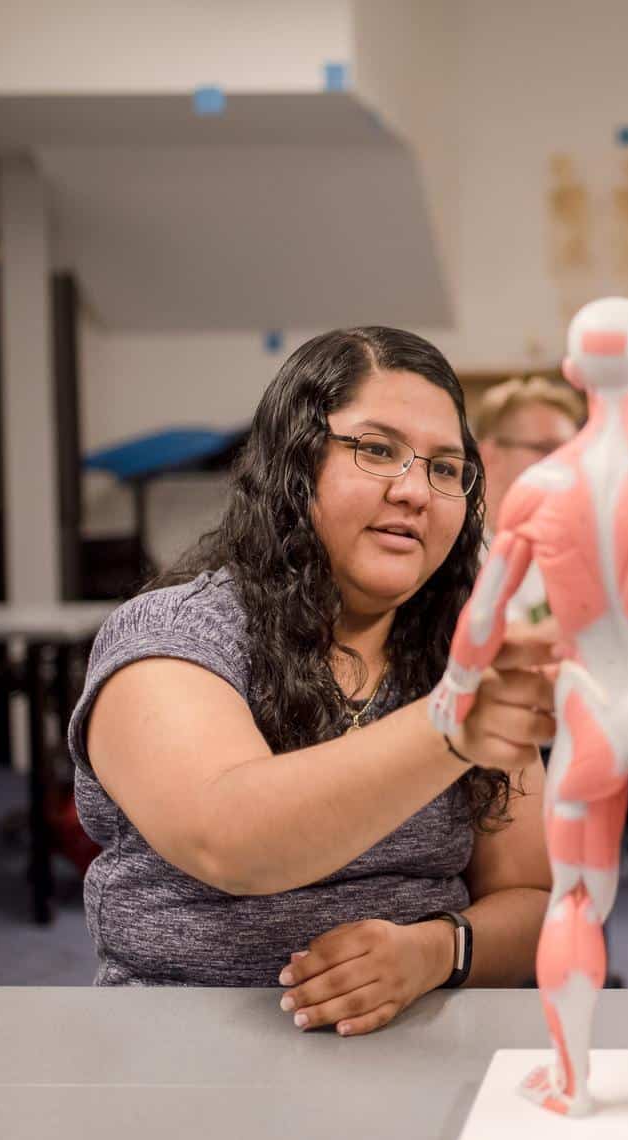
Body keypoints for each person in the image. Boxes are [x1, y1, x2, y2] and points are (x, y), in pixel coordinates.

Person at [69, 327, 556, 1036]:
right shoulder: (172, 638)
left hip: (415, 1052)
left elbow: (535, 896)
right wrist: (451, 725)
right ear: (295, 462)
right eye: (378, 450)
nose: (416, 490)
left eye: (446, 468)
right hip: (183, 1060)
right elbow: (230, 840)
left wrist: (435, 951)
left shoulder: (463, 650)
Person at [473, 376, 585, 623]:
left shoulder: (570, 551)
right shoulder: (452, 551)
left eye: (572, 453)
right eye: (548, 448)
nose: (567, 466)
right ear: (489, 455)